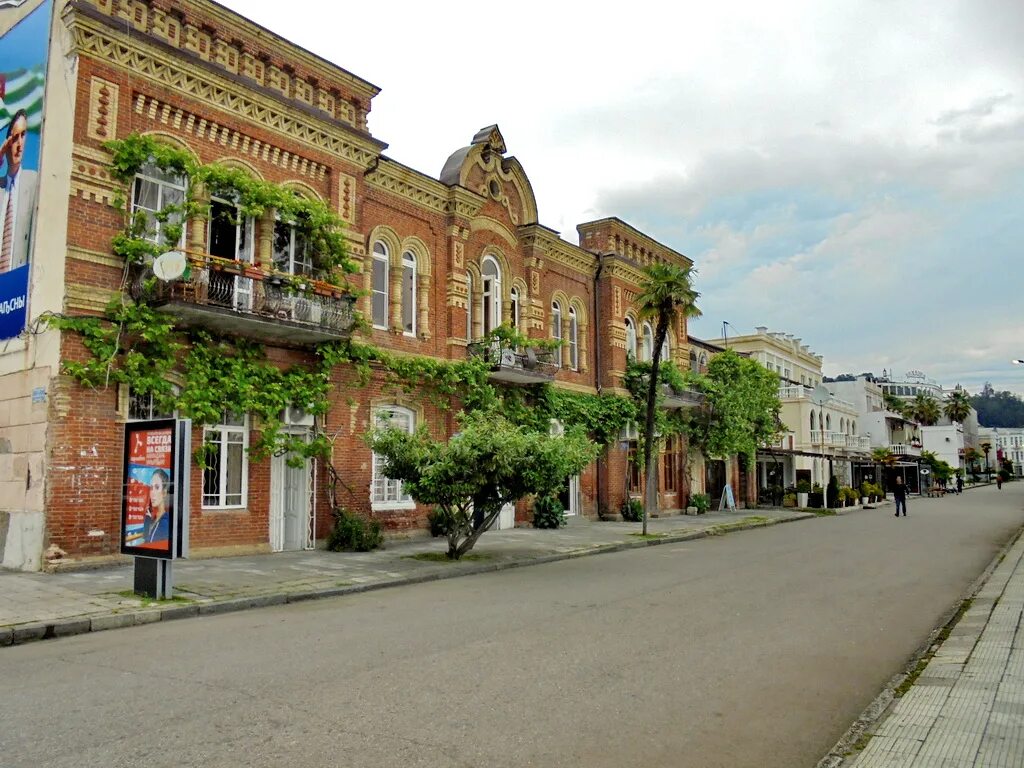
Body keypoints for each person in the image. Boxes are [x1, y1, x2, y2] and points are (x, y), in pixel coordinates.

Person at [0, 108, 39, 273]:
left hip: (17, 287)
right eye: (15, 138)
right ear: (7, 142)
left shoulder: (34, 181)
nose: (19, 144)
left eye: (23, 135)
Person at [143, 469, 171, 545]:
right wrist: (147, 522)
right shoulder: (154, 518)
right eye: (151, 487)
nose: (152, 493)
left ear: (164, 493)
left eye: (157, 487)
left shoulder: (165, 523)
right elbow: (146, 541)